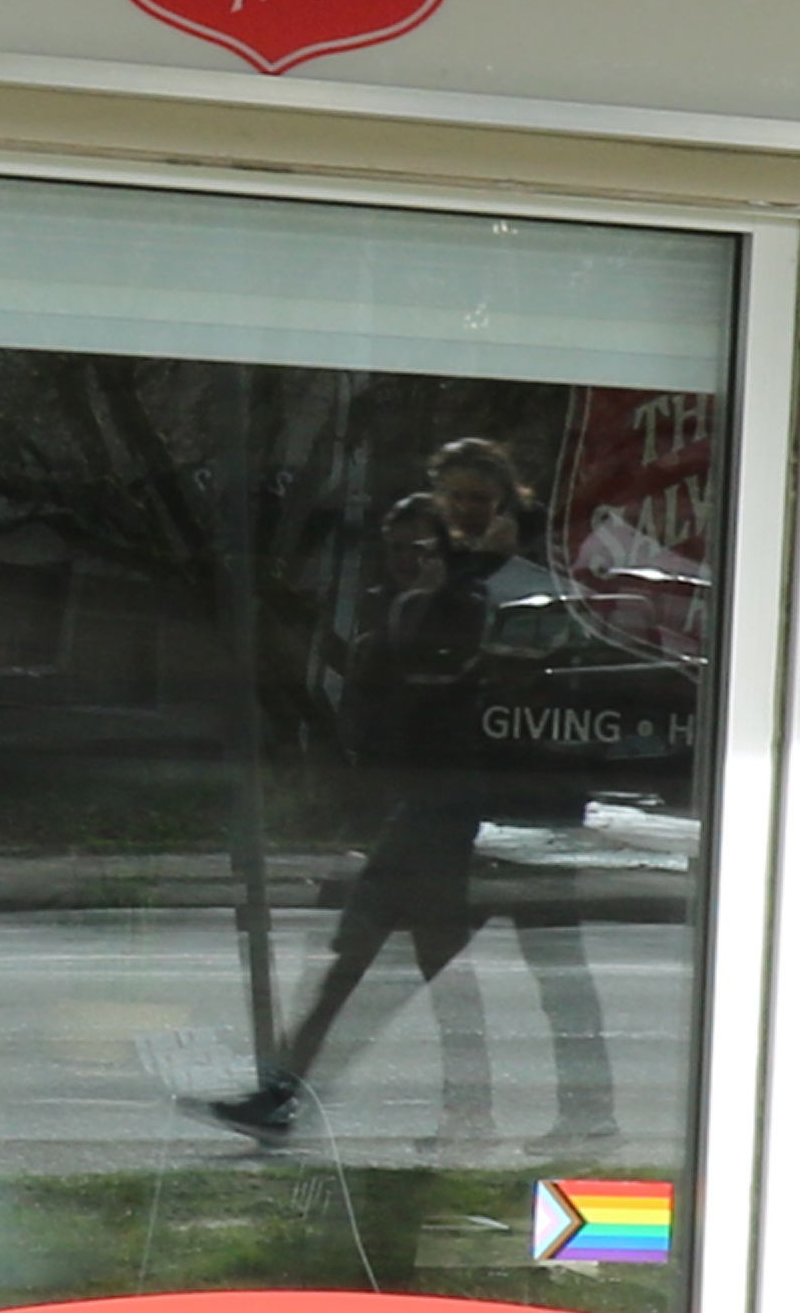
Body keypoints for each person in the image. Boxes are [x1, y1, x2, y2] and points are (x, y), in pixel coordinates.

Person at [203, 435, 593, 1141]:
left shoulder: (512, 587)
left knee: (547, 972)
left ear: (506, 504)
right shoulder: (433, 585)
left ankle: (579, 1113)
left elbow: (504, 682)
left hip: (518, 812)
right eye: (457, 498)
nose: (467, 512)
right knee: (377, 957)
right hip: (440, 808)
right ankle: (304, 1092)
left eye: (480, 499)